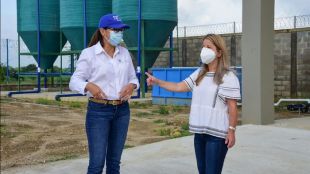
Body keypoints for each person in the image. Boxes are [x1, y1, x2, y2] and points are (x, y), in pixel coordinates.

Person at [146, 34, 241, 174]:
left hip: (217, 136)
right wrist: (157, 82)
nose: (204, 50)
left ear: (219, 52)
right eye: (203, 46)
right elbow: (179, 87)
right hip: (199, 134)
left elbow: (232, 107)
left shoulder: (228, 77)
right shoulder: (200, 73)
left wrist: (231, 131)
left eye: (209, 47)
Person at [69, 14, 139, 174]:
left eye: (121, 30)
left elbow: (133, 77)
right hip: (98, 112)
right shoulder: (89, 54)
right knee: (97, 164)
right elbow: (74, 81)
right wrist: (88, 85)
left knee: (114, 163)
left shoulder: (124, 53)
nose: (119, 33)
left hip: (122, 111)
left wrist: (132, 85)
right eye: (116, 30)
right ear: (102, 31)